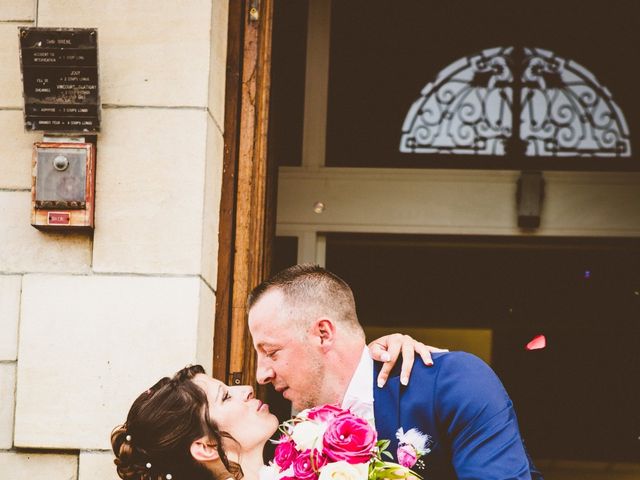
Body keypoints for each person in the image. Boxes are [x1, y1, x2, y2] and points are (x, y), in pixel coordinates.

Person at [247, 264, 543, 480]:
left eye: (271, 352)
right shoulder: (296, 442)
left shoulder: (453, 383)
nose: (261, 375)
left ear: (323, 334)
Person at [112, 342, 431, 480]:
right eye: (225, 397)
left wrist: (387, 355)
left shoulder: (315, 455)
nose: (246, 389)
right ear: (206, 446)